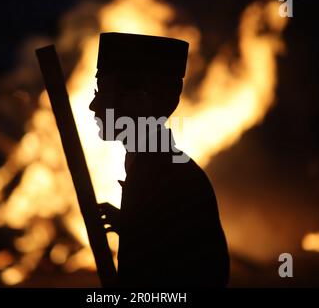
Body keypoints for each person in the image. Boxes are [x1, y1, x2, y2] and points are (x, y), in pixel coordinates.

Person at [89, 32, 229, 287]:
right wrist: (131, 226)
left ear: (139, 103)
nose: (93, 105)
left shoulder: (161, 177)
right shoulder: (160, 169)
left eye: (104, 93)